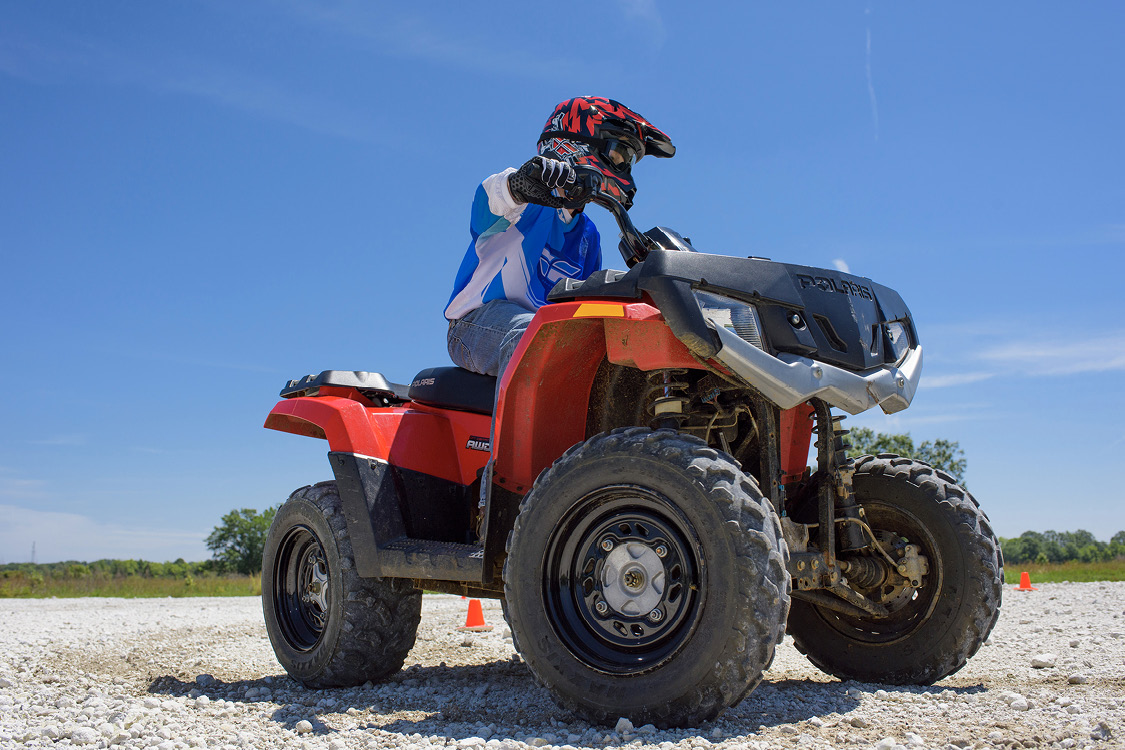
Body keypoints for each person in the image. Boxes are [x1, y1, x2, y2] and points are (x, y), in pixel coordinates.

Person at [444, 96, 675, 382]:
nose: (623, 169)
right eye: (619, 155)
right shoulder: (521, 203)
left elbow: (583, 305)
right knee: (537, 340)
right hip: (475, 324)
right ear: (578, 143)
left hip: (548, 330)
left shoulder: (588, 236)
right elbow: (493, 196)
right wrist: (520, 185)